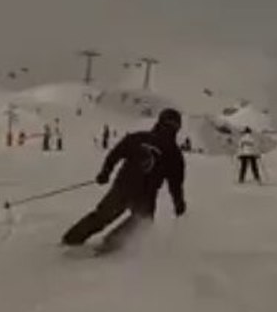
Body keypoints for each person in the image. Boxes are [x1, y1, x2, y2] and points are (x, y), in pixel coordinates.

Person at [61, 108, 187, 252]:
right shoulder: (174, 154)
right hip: (141, 194)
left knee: (105, 216)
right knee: (140, 223)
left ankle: (74, 239)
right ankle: (110, 245)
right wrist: (179, 204)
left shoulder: (140, 138)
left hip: (126, 188)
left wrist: (106, 172)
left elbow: (116, 153)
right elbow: (175, 185)